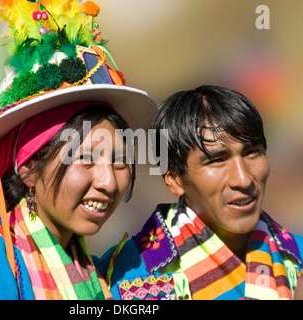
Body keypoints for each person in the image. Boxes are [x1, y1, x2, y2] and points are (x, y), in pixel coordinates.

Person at [0, 0, 157, 299]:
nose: (108, 182)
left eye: (121, 161)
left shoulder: (93, 272)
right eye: (85, 158)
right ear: (28, 168)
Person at [98, 85, 303, 300]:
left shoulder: (296, 258)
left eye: (252, 153)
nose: (243, 179)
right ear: (174, 178)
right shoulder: (127, 272)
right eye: (216, 161)